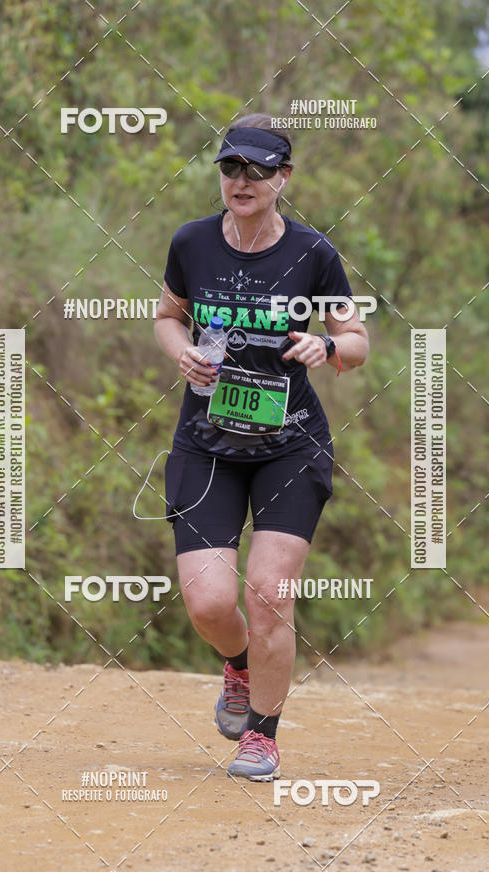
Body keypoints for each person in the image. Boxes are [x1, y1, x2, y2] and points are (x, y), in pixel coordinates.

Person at [154, 113, 369, 782]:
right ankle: (239, 667)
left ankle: (262, 736)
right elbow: (168, 316)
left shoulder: (313, 253)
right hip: (207, 444)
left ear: (283, 177)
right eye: (229, 168)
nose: (240, 181)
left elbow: (357, 341)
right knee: (211, 603)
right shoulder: (191, 243)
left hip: (290, 446)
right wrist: (183, 353)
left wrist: (326, 346)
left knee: (270, 594)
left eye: (255, 169)